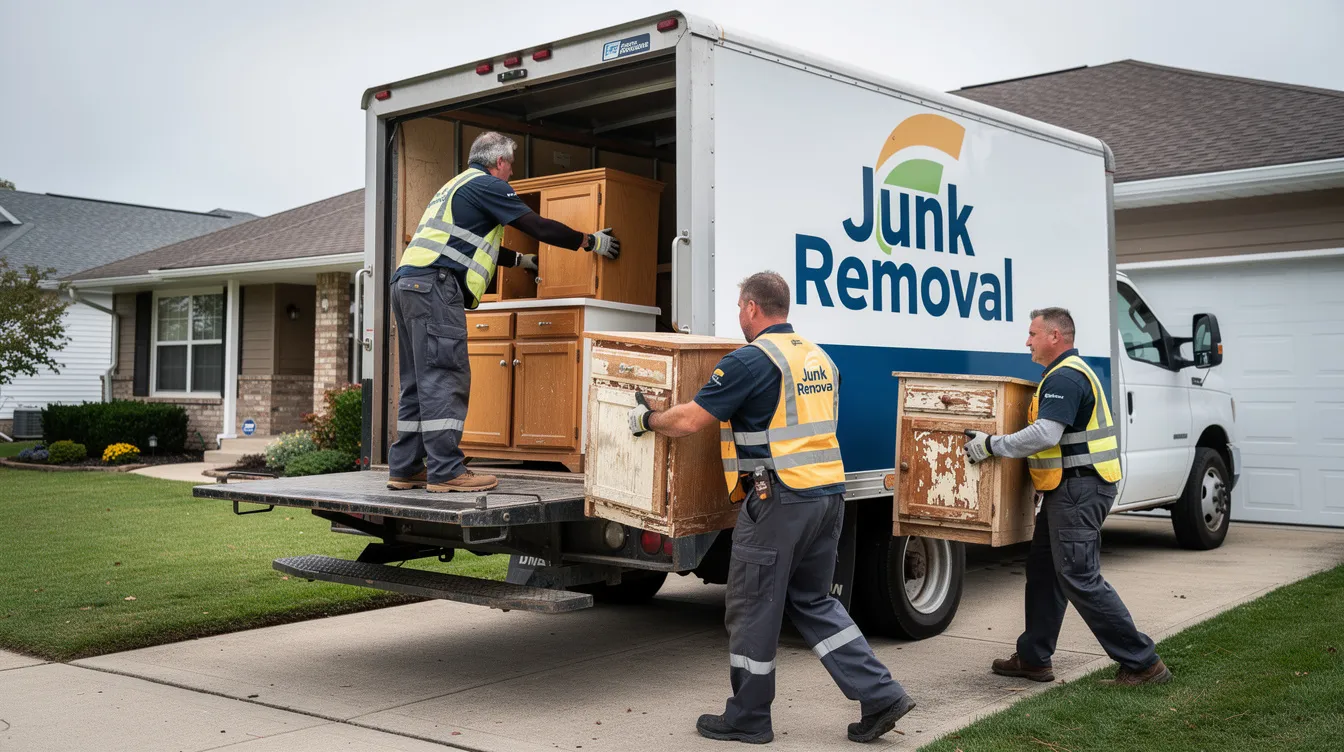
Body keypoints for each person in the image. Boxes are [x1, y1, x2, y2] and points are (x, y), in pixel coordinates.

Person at [627, 271, 915, 744]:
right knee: (813, 601)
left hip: (779, 501)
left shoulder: (750, 361)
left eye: (740, 307)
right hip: (827, 497)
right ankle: (881, 695)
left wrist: (647, 418)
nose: (739, 315)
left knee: (752, 607)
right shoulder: (820, 358)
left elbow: (690, 421)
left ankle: (748, 717)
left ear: (753, 308)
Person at [387, 131, 620, 493]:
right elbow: (536, 226)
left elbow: (470, 244)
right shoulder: (489, 185)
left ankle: (405, 467)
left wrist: (518, 260)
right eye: (510, 167)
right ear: (498, 162)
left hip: (408, 285)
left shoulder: (455, 186)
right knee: (445, 376)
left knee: (418, 380)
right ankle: (447, 470)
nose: (511, 176)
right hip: (436, 287)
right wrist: (589, 241)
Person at [963, 307, 1171, 686]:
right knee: (1044, 572)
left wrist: (992, 445)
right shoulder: (1065, 374)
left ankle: (1143, 663)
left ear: (1055, 337)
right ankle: (1034, 658)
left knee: (1079, 575)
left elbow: (1045, 434)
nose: (1027, 341)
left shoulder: (1066, 377)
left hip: (1079, 488)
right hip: (1070, 488)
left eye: (1032, 333)